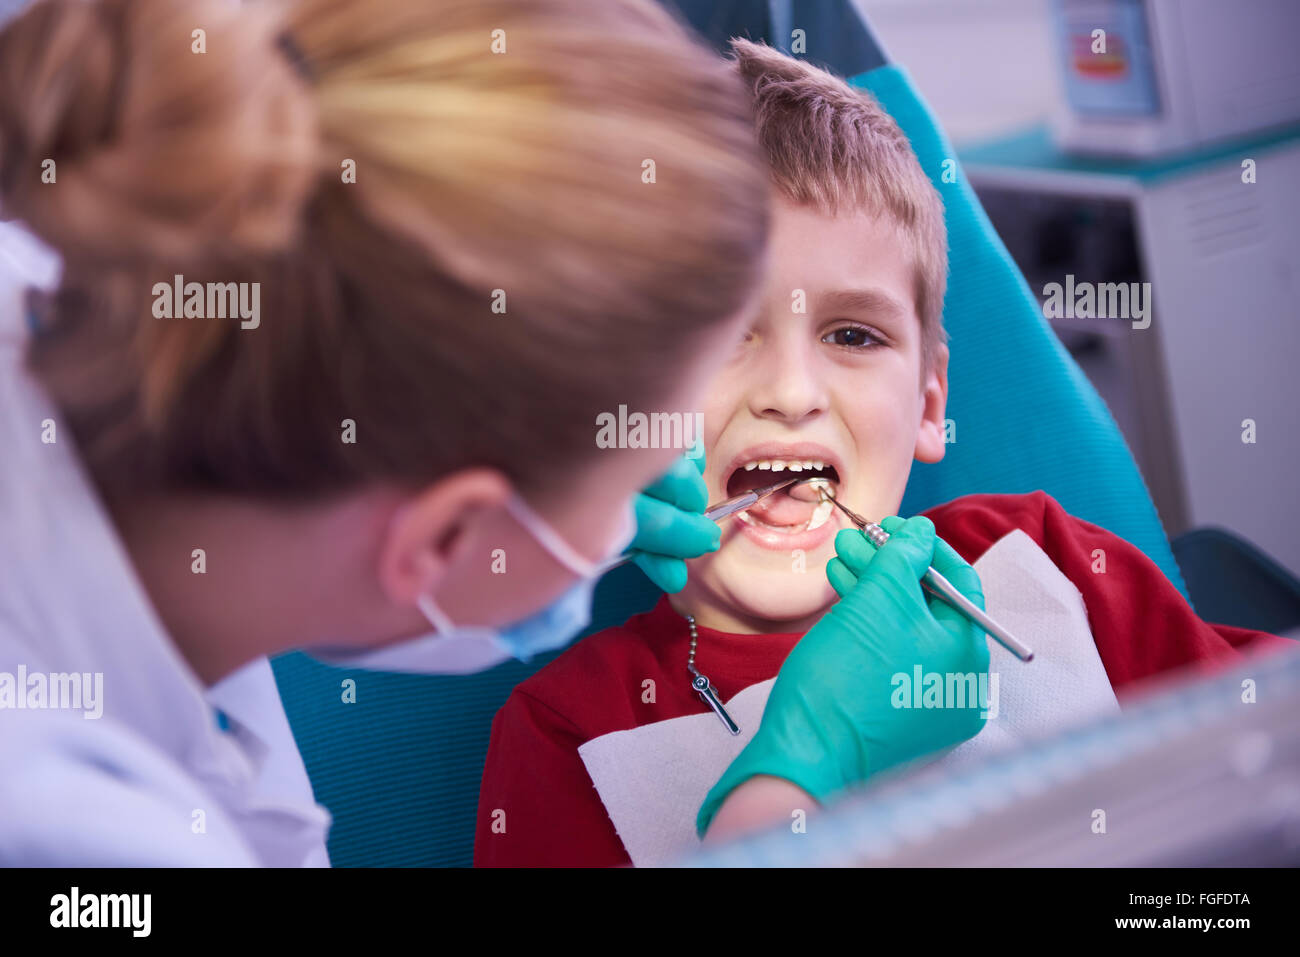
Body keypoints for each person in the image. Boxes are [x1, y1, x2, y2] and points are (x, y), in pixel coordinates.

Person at [473, 40, 1294, 867]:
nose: (792, 392)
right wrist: (804, 768)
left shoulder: (1046, 560)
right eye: (719, 333)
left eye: (852, 334)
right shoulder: (568, 733)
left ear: (930, 404)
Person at [0, 0, 775, 864]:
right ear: (445, 532)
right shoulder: (77, 837)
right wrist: (783, 803)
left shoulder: (60, 277)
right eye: (643, 449)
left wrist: (548, 524)